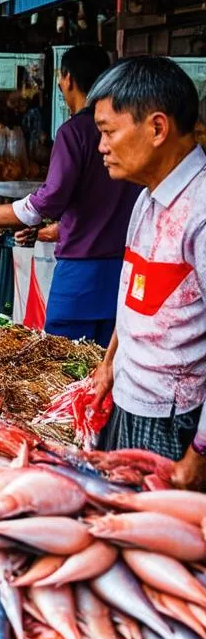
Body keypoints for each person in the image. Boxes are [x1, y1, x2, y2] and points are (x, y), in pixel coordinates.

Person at [0, 45, 141, 346]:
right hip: (123, 273)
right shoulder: (128, 133)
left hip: (81, 277)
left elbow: (44, 202)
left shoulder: (75, 132)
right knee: (107, 369)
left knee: (65, 367)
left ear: (67, 78)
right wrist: (55, 230)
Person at [85, 57, 206, 488]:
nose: (101, 146)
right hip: (129, 402)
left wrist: (199, 451)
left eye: (108, 131)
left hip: (177, 422)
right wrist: (109, 362)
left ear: (156, 128)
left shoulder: (200, 211)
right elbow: (135, 295)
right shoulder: (147, 197)